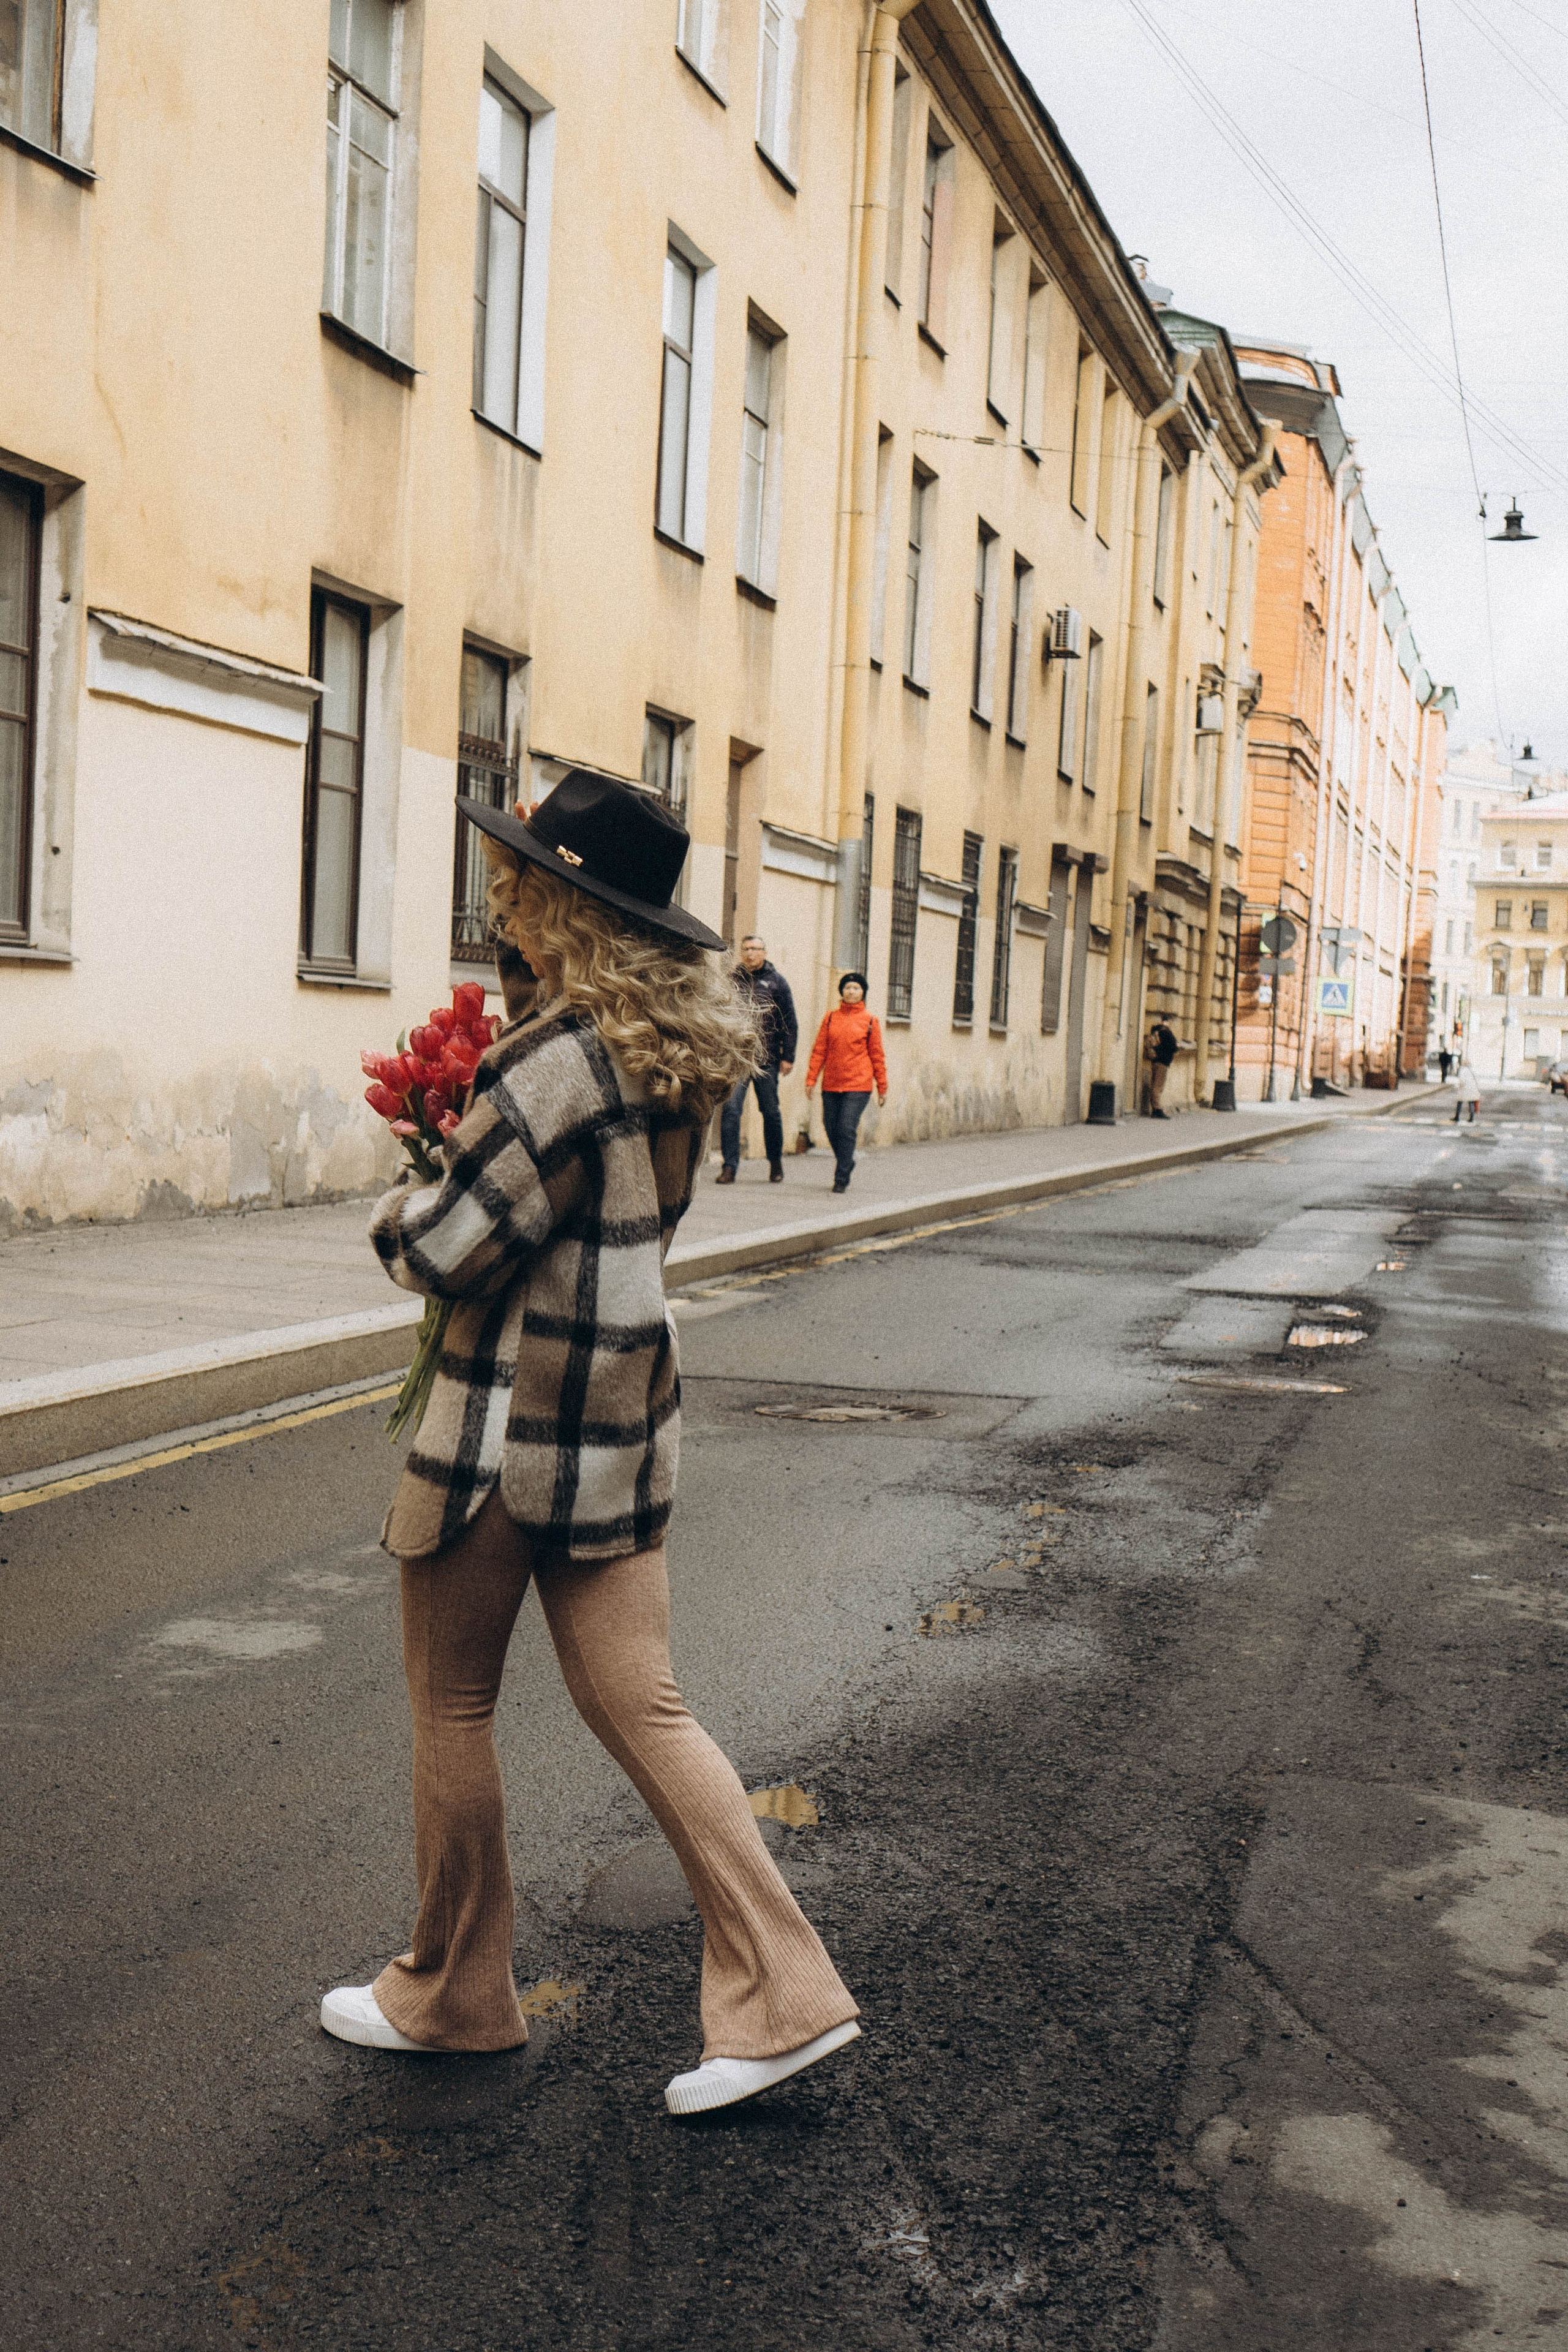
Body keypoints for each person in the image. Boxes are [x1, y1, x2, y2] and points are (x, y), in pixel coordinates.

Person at [320, 771, 861, 2116]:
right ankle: (784, 1993)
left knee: (452, 1704)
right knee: (650, 1707)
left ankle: (453, 1996)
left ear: (561, 903)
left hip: (505, 1434)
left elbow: (451, 1251)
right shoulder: (677, 1060)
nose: (504, 907)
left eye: (518, 887)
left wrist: (404, 1194)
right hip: (619, 1426)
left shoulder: (549, 1062)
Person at [716, 935, 797, 1185]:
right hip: (738, 1057)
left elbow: (790, 1022)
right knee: (730, 1111)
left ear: (764, 952)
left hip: (767, 1059)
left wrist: (788, 1056)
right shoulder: (732, 981)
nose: (750, 953)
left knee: (770, 1112)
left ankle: (775, 1163)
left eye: (755, 949)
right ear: (741, 953)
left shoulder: (777, 983)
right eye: (746, 949)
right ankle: (729, 1167)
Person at [804, 970, 888, 1193]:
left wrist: (882, 1087)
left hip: (858, 1084)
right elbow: (819, 1050)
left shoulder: (870, 1021)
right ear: (841, 991)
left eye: (856, 988)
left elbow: (877, 1055)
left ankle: (841, 1176)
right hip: (831, 1082)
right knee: (830, 1126)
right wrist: (811, 1079)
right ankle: (847, 1160)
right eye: (848, 987)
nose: (851, 991)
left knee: (846, 1127)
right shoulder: (830, 1018)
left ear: (863, 993)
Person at [1148, 1017, 1178, 1118]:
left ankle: (1155, 1108)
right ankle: (1157, 1110)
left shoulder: (1155, 1030)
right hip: (1163, 1062)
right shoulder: (1166, 1032)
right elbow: (1174, 1047)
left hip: (1155, 1060)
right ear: (1168, 1021)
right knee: (1158, 1086)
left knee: (1155, 1084)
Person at [1453, 1058, 1480, 1122]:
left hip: (1464, 1089)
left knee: (1460, 1103)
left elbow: (1462, 1080)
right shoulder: (1473, 1070)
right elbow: (1477, 1080)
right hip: (1472, 1088)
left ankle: (1457, 1117)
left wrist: (1458, 1086)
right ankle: (1471, 1118)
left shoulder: (1463, 1070)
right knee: (1471, 1103)